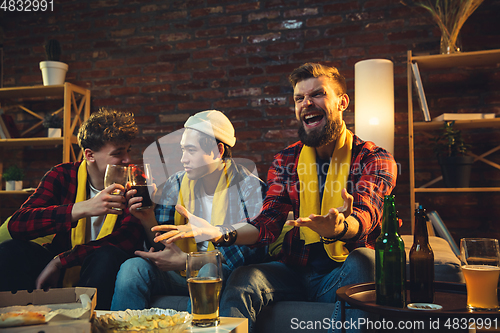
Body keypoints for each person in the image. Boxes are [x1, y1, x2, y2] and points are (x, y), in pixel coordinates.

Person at [153, 63, 398, 332]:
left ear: (342, 102)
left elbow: (367, 214)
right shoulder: (286, 160)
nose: (307, 103)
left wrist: (340, 227)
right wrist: (221, 233)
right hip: (294, 272)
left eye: (317, 94)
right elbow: (267, 222)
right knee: (244, 277)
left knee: (367, 260)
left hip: (343, 273)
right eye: (299, 98)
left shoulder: (374, 158)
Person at [110, 110, 267, 311]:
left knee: (208, 270)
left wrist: (188, 261)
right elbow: (163, 245)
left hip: (223, 274)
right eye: (183, 150)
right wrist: (148, 218)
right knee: (132, 268)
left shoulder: (248, 187)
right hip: (179, 273)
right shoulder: (176, 183)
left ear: (218, 151)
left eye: (191, 151)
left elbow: (247, 255)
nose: (183, 159)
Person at [0, 109, 145, 310]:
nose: (128, 159)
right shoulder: (62, 175)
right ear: (89, 155)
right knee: (10, 250)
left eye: (128, 150)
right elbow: (18, 224)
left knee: (106, 255)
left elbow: (127, 239)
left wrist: (61, 261)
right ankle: (19, 321)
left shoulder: (135, 181)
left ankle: (90, 324)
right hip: (55, 265)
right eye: (118, 153)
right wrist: (80, 209)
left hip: (96, 267)